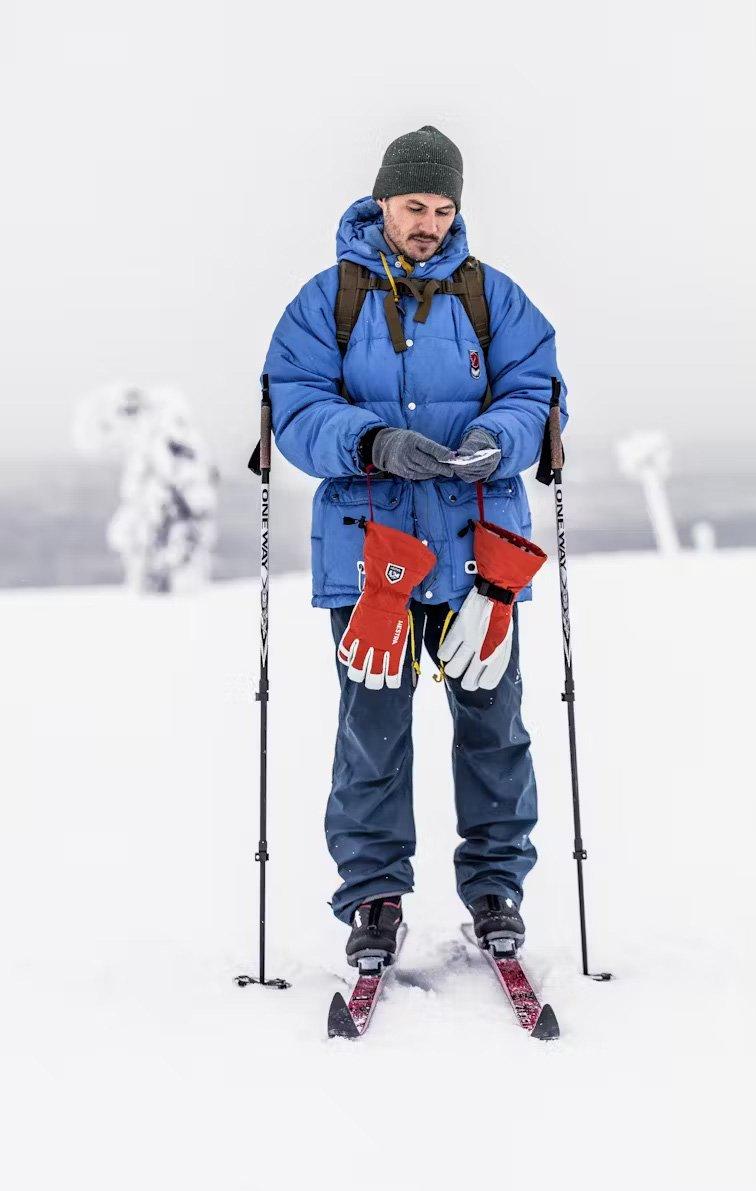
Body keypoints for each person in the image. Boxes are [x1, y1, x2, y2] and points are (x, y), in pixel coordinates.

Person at [261, 125, 568, 966]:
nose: (429, 223)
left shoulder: (494, 297)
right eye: (413, 206)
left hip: (479, 557)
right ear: (382, 203)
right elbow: (295, 405)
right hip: (372, 560)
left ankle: (497, 890)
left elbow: (539, 391)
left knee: (495, 728)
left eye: (441, 208)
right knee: (372, 733)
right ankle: (374, 896)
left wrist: (501, 440)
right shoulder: (326, 300)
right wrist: (371, 441)